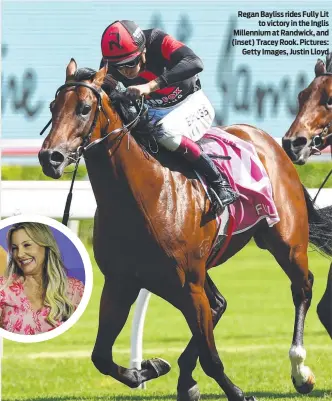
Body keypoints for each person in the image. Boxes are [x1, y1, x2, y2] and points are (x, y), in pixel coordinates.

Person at [100, 20, 239, 207]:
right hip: (153, 110)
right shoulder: (110, 64)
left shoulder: (157, 40)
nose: (126, 71)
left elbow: (195, 63)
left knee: (163, 132)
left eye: (131, 63)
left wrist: (151, 86)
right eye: (120, 66)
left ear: (143, 50)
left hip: (190, 103)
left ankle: (220, 182)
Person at [0, 222, 84, 335]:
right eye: (15, 248)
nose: (19, 254)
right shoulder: (3, 288)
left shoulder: (75, 289)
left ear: (46, 246)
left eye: (27, 245)